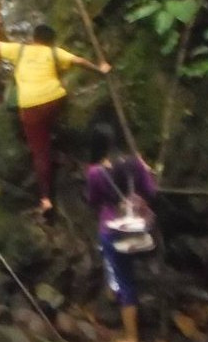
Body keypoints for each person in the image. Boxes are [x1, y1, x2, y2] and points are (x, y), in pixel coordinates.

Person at [0, 24, 112, 215]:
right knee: (55, 122)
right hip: (55, 100)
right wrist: (100, 69)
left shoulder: (19, 50)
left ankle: (46, 198)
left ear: (33, 38)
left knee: (40, 152)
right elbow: (79, 61)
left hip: (31, 106)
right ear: (51, 41)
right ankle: (90, 157)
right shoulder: (55, 52)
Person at [86, 124, 157, 342]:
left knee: (124, 280)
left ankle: (131, 335)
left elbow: (92, 200)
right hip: (137, 226)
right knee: (124, 272)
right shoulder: (134, 163)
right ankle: (115, 293)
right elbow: (152, 191)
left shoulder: (95, 172)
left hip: (111, 229)